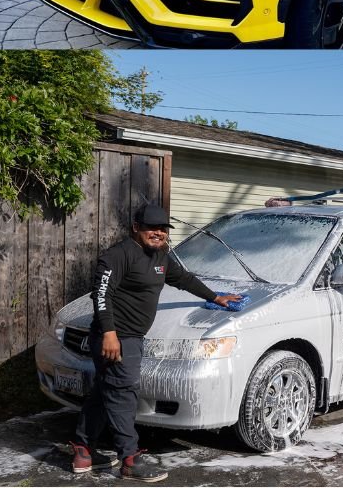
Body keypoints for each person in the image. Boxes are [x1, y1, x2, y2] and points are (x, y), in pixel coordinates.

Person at [70, 204, 242, 482]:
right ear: (136, 227)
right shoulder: (117, 256)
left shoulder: (161, 256)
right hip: (117, 337)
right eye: (152, 227)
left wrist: (214, 297)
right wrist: (110, 334)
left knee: (107, 390)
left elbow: (183, 279)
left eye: (163, 229)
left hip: (131, 337)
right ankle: (129, 458)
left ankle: (82, 449)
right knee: (124, 393)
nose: (158, 233)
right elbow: (101, 296)